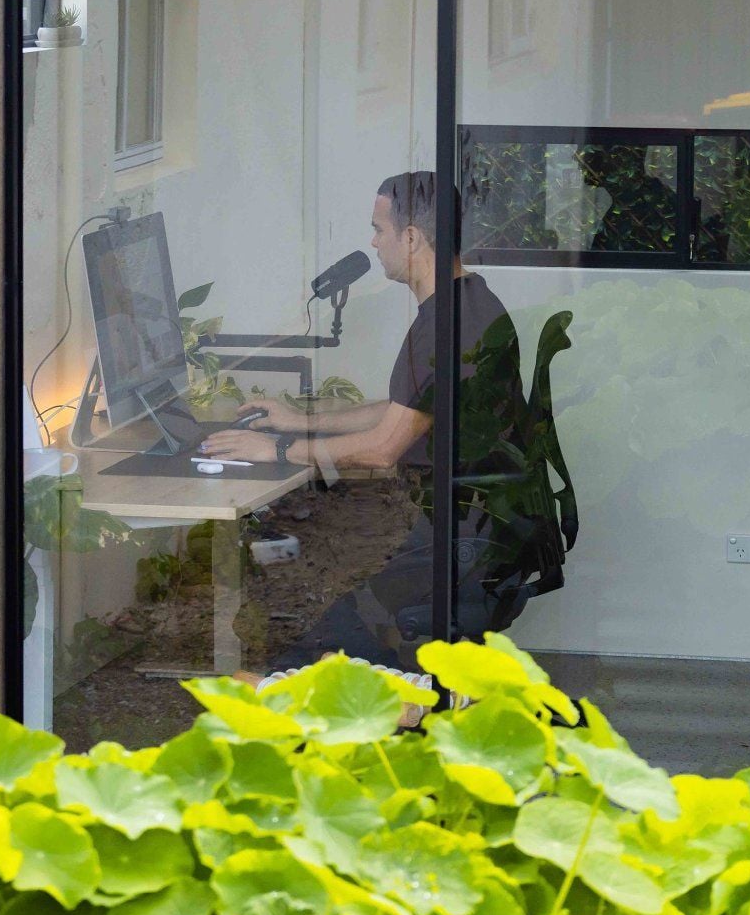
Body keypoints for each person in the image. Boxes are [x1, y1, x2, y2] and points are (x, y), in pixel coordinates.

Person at [199, 171, 535, 667]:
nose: (374, 244)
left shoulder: (444, 327)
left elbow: (382, 449)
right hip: (476, 525)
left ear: (412, 237)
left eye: (379, 230)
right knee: (321, 600)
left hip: (459, 538)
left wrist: (274, 450)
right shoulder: (471, 305)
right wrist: (301, 422)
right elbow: (410, 410)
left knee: (312, 652)